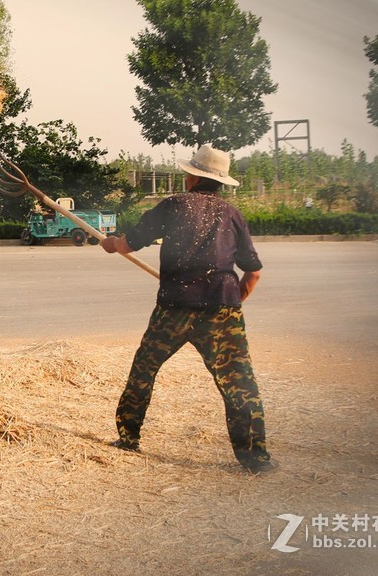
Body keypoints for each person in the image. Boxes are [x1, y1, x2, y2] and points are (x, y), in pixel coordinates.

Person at [99, 143, 275, 474]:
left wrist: (110, 244)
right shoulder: (233, 215)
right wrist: (232, 302)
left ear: (191, 178)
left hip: (175, 307)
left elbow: (128, 244)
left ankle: (128, 437)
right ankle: (256, 458)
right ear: (221, 183)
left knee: (144, 370)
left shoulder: (173, 206)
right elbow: (253, 271)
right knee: (239, 381)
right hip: (223, 309)